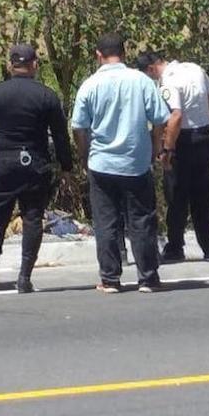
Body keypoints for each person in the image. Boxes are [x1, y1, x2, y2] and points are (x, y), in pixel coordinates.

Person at [0, 44, 74, 294]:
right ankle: (25, 277)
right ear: (34, 65)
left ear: (10, 65)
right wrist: (66, 167)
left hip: (4, 163)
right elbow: (61, 135)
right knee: (32, 218)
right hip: (35, 164)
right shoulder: (47, 95)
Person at [71, 33, 170, 293]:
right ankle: (148, 277)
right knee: (142, 220)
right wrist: (155, 146)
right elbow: (160, 119)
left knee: (106, 222)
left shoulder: (90, 85)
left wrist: (85, 155)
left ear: (98, 55)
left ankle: (110, 278)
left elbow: (79, 127)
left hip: (101, 163)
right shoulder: (141, 81)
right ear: (124, 54)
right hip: (136, 162)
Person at [135, 51, 209, 261]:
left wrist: (167, 149)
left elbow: (175, 116)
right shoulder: (194, 69)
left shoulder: (168, 82)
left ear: (151, 69)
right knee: (203, 196)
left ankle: (175, 247)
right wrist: (206, 121)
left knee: (176, 196)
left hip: (182, 142)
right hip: (204, 137)